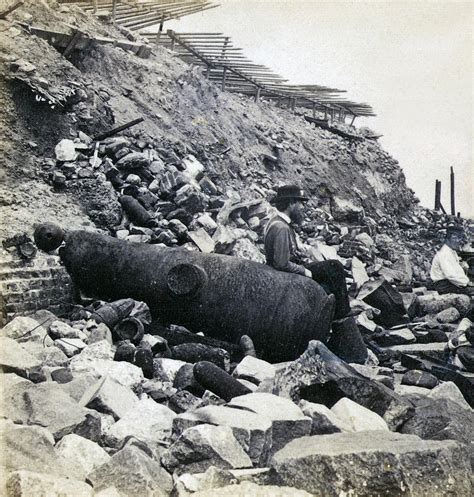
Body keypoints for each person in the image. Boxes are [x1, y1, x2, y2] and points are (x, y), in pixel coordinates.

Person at [264, 185, 367, 363]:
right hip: (284, 277)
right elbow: (281, 263)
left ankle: (339, 328)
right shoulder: (280, 228)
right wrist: (305, 271)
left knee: (329, 283)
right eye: (300, 204)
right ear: (291, 204)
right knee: (334, 268)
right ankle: (344, 318)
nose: (303, 208)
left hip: (285, 274)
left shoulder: (278, 224)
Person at [430, 224, 474, 297]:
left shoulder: (452, 252)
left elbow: (455, 270)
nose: (460, 241)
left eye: (460, 238)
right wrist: (467, 282)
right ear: (450, 238)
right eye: (458, 238)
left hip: (450, 283)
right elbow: (451, 275)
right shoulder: (444, 253)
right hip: (444, 286)